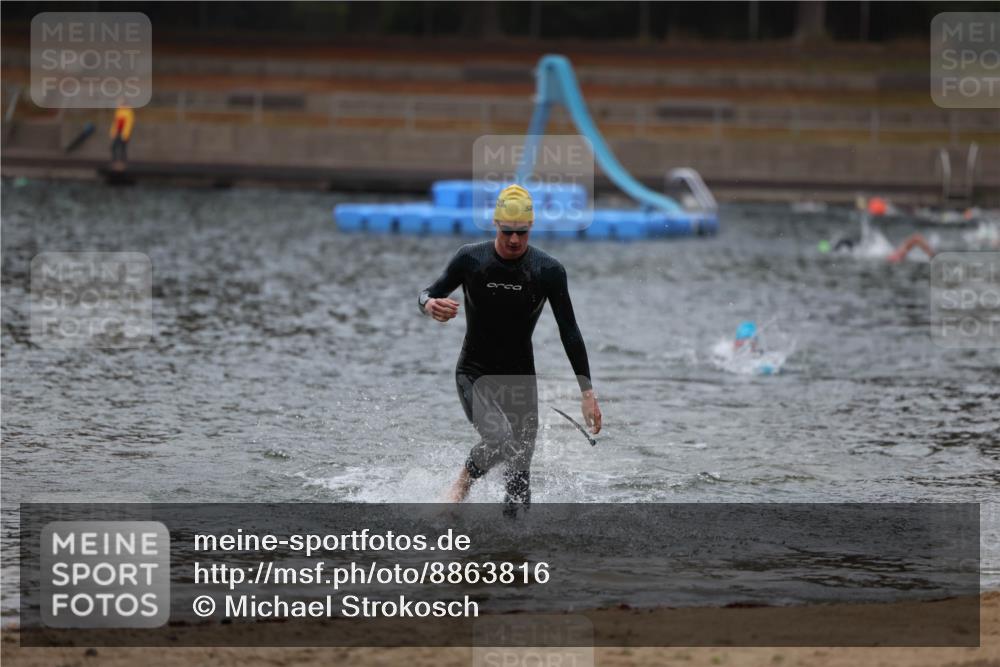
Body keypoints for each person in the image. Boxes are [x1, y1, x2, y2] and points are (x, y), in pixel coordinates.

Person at [418, 184, 602, 513]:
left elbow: (569, 331)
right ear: (495, 225)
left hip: (519, 380)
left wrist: (587, 392)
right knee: (500, 440)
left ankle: (513, 557)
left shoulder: (549, 271)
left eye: (521, 232)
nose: (514, 240)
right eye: (507, 232)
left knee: (519, 492)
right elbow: (427, 293)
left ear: (531, 227)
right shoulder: (470, 258)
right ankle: (461, 484)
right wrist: (429, 304)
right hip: (474, 373)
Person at [109, 98, 134, 169]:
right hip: (118, 132)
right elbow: (115, 123)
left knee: (123, 148)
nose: (118, 104)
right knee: (113, 147)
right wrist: (112, 132)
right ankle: (115, 162)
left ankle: (123, 164)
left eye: (120, 103)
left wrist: (125, 134)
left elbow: (129, 124)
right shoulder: (118, 111)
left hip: (124, 133)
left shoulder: (128, 112)